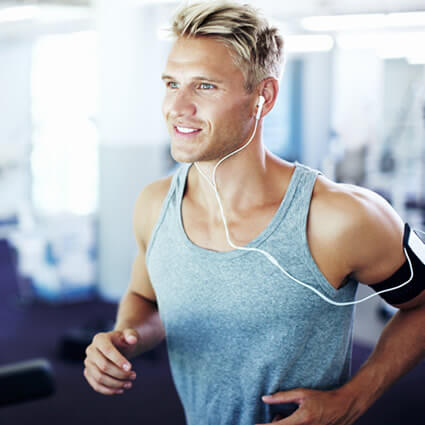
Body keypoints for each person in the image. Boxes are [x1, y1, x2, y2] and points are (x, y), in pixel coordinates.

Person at [83, 1, 425, 424]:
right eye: (172, 83)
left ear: (262, 97)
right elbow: (146, 298)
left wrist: (355, 398)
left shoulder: (337, 217)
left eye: (205, 86)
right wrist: (126, 338)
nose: (177, 106)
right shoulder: (154, 205)